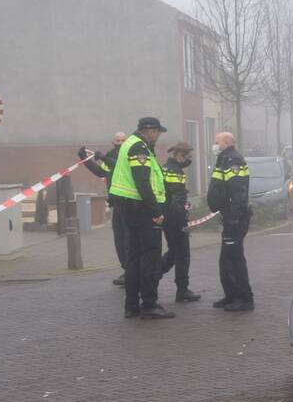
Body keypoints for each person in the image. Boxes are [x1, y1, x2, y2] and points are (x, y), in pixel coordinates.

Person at [108, 117, 174, 319]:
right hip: (142, 209)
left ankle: (131, 305)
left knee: (134, 258)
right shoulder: (139, 148)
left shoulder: (130, 144)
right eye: (158, 132)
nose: (158, 136)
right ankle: (149, 304)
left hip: (130, 208)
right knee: (150, 258)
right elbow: (143, 182)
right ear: (150, 130)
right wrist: (156, 212)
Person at [207, 132, 254, 312]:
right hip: (228, 216)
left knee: (234, 259)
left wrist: (234, 216)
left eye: (217, 142)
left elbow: (238, 191)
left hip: (235, 218)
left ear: (226, 142)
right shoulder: (224, 159)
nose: (215, 145)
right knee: (226, 259)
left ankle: (244, 298)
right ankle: (231, 295)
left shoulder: (234, 160)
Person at [80, 131, 128, 286]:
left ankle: (133, 272)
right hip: (117, 204)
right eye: (117, 141)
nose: (120, 143)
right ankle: (127, 270)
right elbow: (100, 172)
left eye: (123, 140)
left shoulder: (130, 155)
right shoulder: (110, 156)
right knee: (119, 240)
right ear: (113, 143)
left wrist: (103, 157)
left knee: (129, 239)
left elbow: (121, 166)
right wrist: (84, 159)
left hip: (130, 205)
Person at [159, 142, 201, 303]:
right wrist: (182, 217)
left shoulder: (165, 167)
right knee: (182, 254)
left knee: (174, 251)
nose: (188, 160)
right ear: (179, 155)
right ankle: (182, 290)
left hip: (167, 216)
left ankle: (153, 276)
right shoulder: (175, 171)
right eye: (187, 156)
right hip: (175, 219)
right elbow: (177, 197)